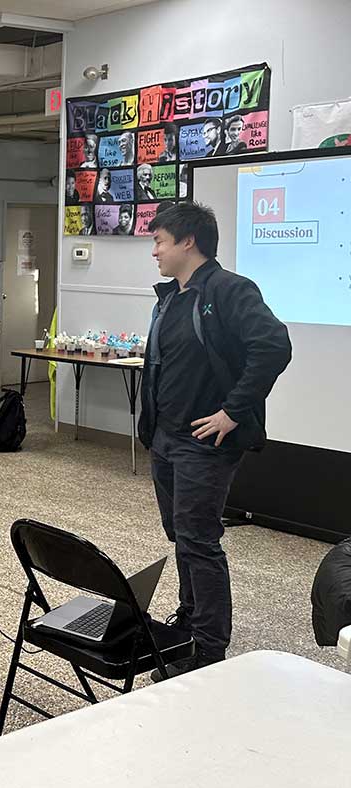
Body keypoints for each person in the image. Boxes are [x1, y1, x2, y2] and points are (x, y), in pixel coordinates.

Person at [138, 203, 291, 680]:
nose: (155, 251)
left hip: (203, 443)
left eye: (160, 240)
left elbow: (274, 346)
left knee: (199, 540)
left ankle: (207, 649)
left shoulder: (229, 290)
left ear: (189, 242)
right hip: (166, 438)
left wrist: (232, 411)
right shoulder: (171, 297)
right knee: (180, 534)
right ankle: (189, 619)